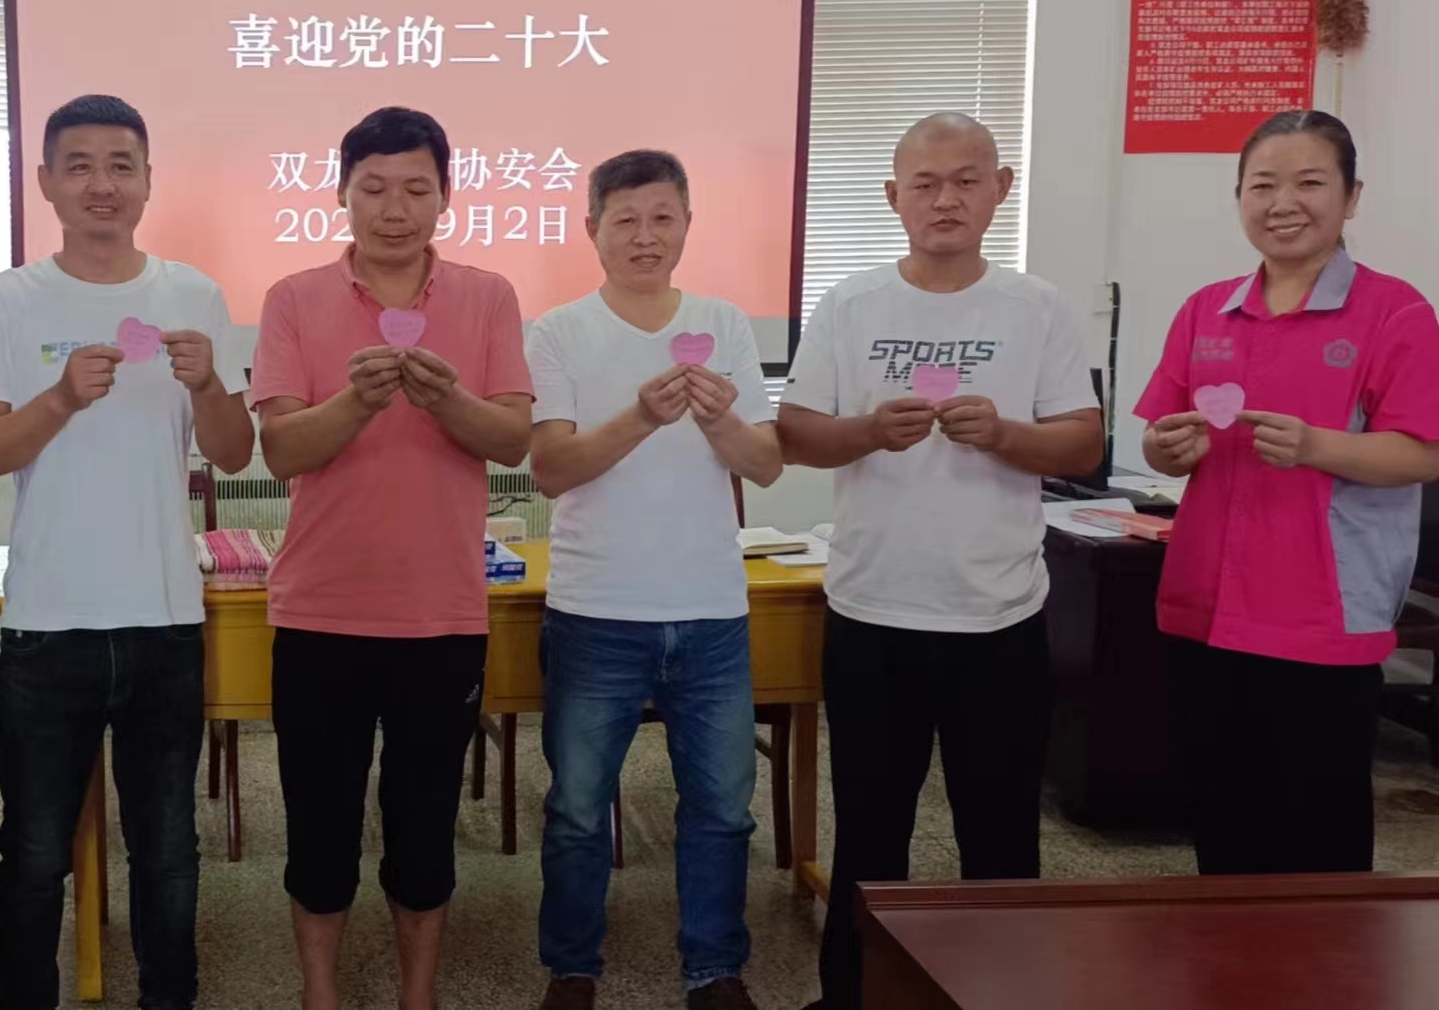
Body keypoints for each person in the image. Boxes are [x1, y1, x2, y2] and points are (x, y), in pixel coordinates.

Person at [777, 113, 1103, 1010]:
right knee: (870, 835)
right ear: (895, 197)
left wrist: (1004, 434)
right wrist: (866, 432)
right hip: (873, 614)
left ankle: (1000, 996)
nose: (946, 199)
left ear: (1001, 190)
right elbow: (796, 435)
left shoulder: (1038, 308)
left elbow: (1083, 445)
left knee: (1000, 839)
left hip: (998, 620)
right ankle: (851, 997)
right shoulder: (851, 304)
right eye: (925, 183)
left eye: (966, 180)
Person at [0, 95, 254, 1010]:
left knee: (167, 850)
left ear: (149, 181)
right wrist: (58, 401)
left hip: (164, 619)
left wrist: (209, 387)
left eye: (122, 165)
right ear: (46, 183)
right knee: (35, 849)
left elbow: (235, 453)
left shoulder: (192, 294)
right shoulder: (6, 300)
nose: (102, 185)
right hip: (48, 625)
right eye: (78, 165)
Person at [252, 106, 534, 1010]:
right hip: (320, 612)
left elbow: (513, 439)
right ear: (342, 194)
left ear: (446, 197)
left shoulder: (488, 296)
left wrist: (446, 400)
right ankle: (321, 995)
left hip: (440, 617)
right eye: (373, 188)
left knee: (423, 830)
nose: (394, 208)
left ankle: (419, 996)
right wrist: (356, 402)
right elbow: (281, 450)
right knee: (319, 826)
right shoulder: (293, 298)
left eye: (416, 188)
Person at [1136, 110, 1439, 877]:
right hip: (1208, 609)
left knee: (1317, 843)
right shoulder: (1206, 310)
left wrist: (1315, 447)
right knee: (1221, 825)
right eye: (1263, 185)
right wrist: (1166, 449)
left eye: (1309, 183)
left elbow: (1423, 454)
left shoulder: (1395, 311)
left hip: (1321, 613)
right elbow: (1155, 440)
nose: (1283, 203)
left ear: (1351, 196)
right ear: (1239, 196)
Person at [524, 151, 782, 1010]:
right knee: (577, 807)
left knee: (722, 807)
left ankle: (715, 968)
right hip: (595, 610)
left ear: (687, 225)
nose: (645, 236)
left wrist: (719, 420)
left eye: (662, 217)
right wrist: (640, 416)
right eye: (625, 219)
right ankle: (572, 967)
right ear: (591, 228)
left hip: (710, 610)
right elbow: (552, 469)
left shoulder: (724, 322)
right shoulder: (557, 331)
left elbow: (765, 464)